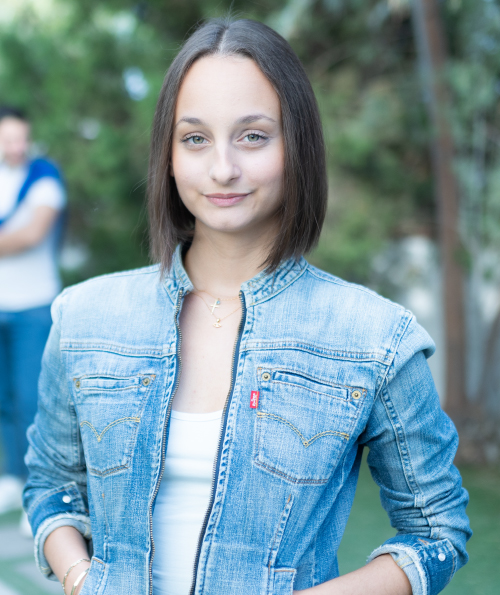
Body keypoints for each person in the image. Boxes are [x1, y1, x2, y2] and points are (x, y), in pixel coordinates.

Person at [23, 17, 470, 595]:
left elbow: (437, 531)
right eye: (195, 138)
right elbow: (51, 482)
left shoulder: (374, 337)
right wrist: (83, 578)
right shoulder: (86, 318)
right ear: (168, 155)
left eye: (253, 135)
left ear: (297, 145)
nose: (223, 168)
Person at [0, 106, 65, 524]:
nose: (16, 147)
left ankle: (39, 493)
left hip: (35, 306)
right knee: (4, 399)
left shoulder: (45, 177)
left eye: (21, 138)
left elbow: (31, 234)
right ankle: (11, 478)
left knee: (32, 400)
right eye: (8, 139)